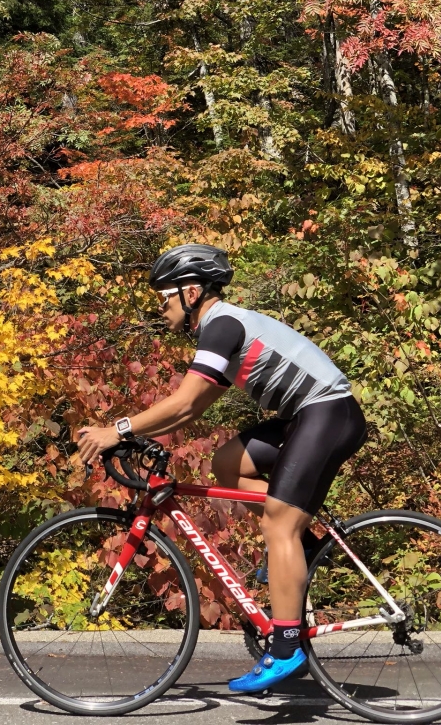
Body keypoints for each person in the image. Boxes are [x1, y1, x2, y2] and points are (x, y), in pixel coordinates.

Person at [76, 243, 367, 694]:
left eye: (164, 296)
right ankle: (303, 551)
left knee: (278, 525)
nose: (161, 307)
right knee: (226, 463)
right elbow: (190, 410)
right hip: (309, 418)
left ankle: (287, 646)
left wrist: (118, 429)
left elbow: (186, 400)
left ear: (190, 292)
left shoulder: (222, 325)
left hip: (327, 414)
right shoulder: (223, 330)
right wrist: (141, 436)